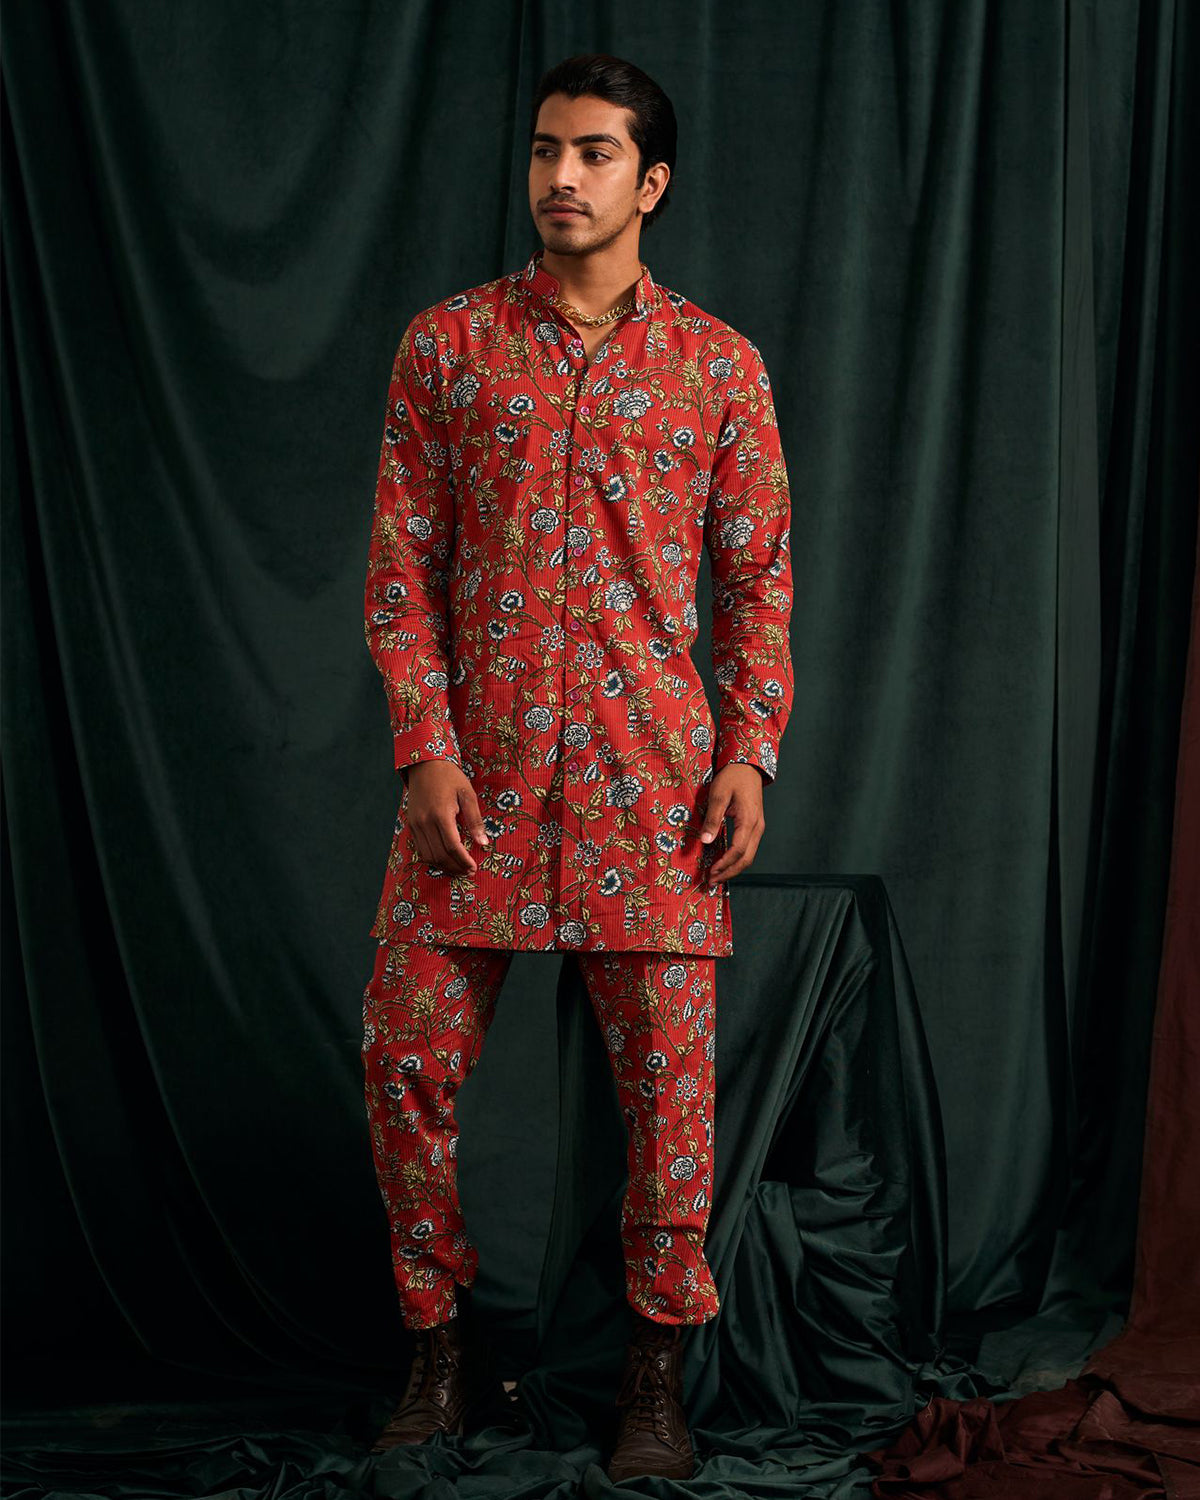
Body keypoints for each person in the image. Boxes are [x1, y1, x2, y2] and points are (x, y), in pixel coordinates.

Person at [360, 52, 794, 1480]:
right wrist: (425, 751)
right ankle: (439, 1350)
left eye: (596, 154)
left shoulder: (720, 367)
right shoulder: (448, 347)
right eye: (547, 149)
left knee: (671, 1099)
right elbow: (400, 570)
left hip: (649, 790)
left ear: (649, 182)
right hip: (472, 790)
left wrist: (750, 753)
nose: (561, 176)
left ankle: (654, 1376)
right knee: (405, 1060)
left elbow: (758, 583)